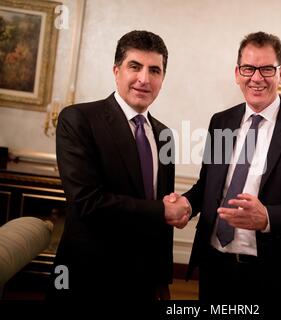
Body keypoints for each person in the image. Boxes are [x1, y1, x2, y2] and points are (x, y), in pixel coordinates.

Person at [173, 31, 281, 301]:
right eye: (249, 68)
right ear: (237, 73)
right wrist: (186, 204)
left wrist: (268, 218)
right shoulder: (221, 122)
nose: (257, 77)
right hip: (215, 265)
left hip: (270, 274)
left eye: (267, 69)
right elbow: (208, 185)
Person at [49, 30, 190, 301]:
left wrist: (162, 278)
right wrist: (163, 209)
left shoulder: (165, 136)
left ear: (163, 78)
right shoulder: (78, 119)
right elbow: (87, 202)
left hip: (143, 283)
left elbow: (162, 219)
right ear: (116, 71)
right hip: (88, 279)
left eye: (154, 70)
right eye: (134, 67)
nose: (144, 79)